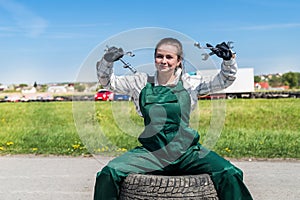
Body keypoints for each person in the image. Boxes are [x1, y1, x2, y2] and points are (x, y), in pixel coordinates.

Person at [94, 37, 253, 200]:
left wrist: (229, 59)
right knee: (109, 173)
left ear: (178, 61)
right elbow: (108, 83)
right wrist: (107, 61)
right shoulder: (140, 82)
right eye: (159, 56)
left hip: (187, 153)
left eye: (169, 57)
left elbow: (225, 80)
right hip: (152, 153)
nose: (163, 61)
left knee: (229, 172)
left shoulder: (190, 82)